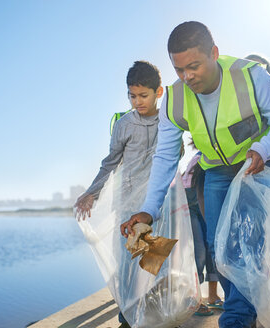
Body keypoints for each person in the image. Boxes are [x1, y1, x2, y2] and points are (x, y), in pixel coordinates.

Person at [120, 21, 270, 327]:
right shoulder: (174, 100)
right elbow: (164, 156)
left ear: (214, 53)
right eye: (179, 70)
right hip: (216, 170)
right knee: (218, 246)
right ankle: (246, 307)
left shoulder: (250, 75)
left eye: (194, 66)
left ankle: (238, 318)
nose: (187, 77)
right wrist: (148, 210)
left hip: (258, 163)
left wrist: (263, 148)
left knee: (246, 237)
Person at [74, 60, 163, 328]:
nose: (137, 101)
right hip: (127, 205)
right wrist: (92, 192)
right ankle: (127, 319)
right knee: (128, 264)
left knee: (154, 262)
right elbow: (110, 162)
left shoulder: (169, 121)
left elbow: (175, 157)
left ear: (158, 92)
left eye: (143, 95)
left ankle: (157, 316)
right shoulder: (124, 124)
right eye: (132, 96)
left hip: (157, 203)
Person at [182, 148, 222, 316]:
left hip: (208, 202)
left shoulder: (222, 154)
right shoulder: (198, 158)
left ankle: (212, 296)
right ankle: (195, 299)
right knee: (198, 252)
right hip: (191, 206)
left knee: (213, 249)